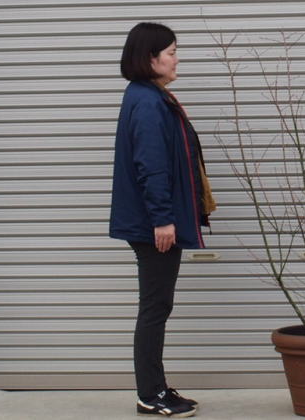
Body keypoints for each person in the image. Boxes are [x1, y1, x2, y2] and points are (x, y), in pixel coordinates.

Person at [109, 22, 216, 418]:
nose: (176, 59)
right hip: (153, 225)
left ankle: (155, 387)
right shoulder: (148, 102)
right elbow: (151, 166)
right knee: (155, 308)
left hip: (153, 221)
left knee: (157, 306)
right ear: (150, 58)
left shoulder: (148, 96)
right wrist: (163, 220)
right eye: (171, 52)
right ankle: (150, 394)